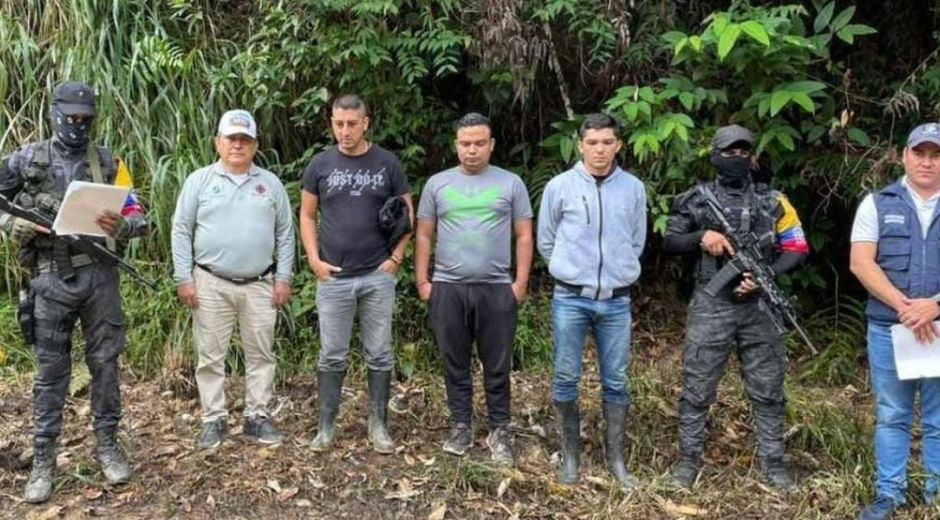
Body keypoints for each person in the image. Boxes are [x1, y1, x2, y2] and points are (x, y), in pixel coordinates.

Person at [0, 81, 148, 503]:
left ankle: (107, 446)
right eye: (72, 119)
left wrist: (126, 225)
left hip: (100, 276)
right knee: (51, 375)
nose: (78, 126)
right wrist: (11, 225)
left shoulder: (107, 162)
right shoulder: (25, 160)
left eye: (86, 120)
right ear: (55, 114)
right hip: (50, 279)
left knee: (105, 366)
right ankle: (43, 461)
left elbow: (138, 212)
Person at [663, 124, 809, 491]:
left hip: (758, 306)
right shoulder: (694, 199)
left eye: (744, 152)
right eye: (729, 152)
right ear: (714, 156)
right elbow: (669, 242)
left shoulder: (775, 202)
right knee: (697, 388)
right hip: (712, 303)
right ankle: (687, 461)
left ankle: (774, 464)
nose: (737, 158)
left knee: (768, 389)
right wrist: (702, 237)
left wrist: (765, 277)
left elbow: (797, 248)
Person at [171, 109, 295, 449]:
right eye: (231, 139)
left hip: (259, 283)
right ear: (218, 142)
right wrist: (184, 277)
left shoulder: (269, 184)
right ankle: (214, 419)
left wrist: (283, 277)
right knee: (210, 355)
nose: (237, 145)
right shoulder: (200, 181)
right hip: (210, 281)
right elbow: (181, 229)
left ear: (255, 145)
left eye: (245, 139)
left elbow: (285, 233)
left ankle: (257, 415)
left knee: (261, 352)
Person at [414, 112, 533, 464]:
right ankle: (461, 424)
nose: (472, 150)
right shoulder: (437, 184)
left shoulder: (511, 183)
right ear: (456, 146)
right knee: (455, 361)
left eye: (480, 143)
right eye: (466, 144)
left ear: (492, 145)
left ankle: (500, 429)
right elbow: (423, 233)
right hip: (448, 288)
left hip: (497, 288)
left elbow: (524, 234)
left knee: (497, 363)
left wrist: (520, 283)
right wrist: (423, 281)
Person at [536, 113, 647, 488]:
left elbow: (637, 240)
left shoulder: (633, 188)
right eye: (592, 143)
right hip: (571, 298)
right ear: (580, 144)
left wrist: (618, 273)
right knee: (566, 376)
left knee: (616, 379)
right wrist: (568, 270)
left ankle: (615, 458)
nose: (600, 150)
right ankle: (571, 457)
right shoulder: (559, 187)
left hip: (616, 301)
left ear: (618, 145)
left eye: (607, 143)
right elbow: (546, 240)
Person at [299, 95, 413, 454]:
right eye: (338, 123)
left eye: (351, 123)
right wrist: (314, 260)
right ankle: (326, 427)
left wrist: (396, 257)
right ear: (331, 123)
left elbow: (408, 213)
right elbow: (306, 215)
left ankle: (378, 425)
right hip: (334, 277)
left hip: (377, 275)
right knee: (332, 354)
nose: (344, 131)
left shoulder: (387, 163)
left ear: (366, 123)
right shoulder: (320, 165)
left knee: (379, 353)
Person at [850, 123, 940, 520]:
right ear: (904, 155)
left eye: (936, 155)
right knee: (892, 414)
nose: (927, 162)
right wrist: (904, 306)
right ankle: (890, 494)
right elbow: (860, 262)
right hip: (890, 328)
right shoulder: (877, 203)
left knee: (939, 417)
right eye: (919, 153)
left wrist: (934, 306)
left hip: (939, 326)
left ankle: (934, 494)